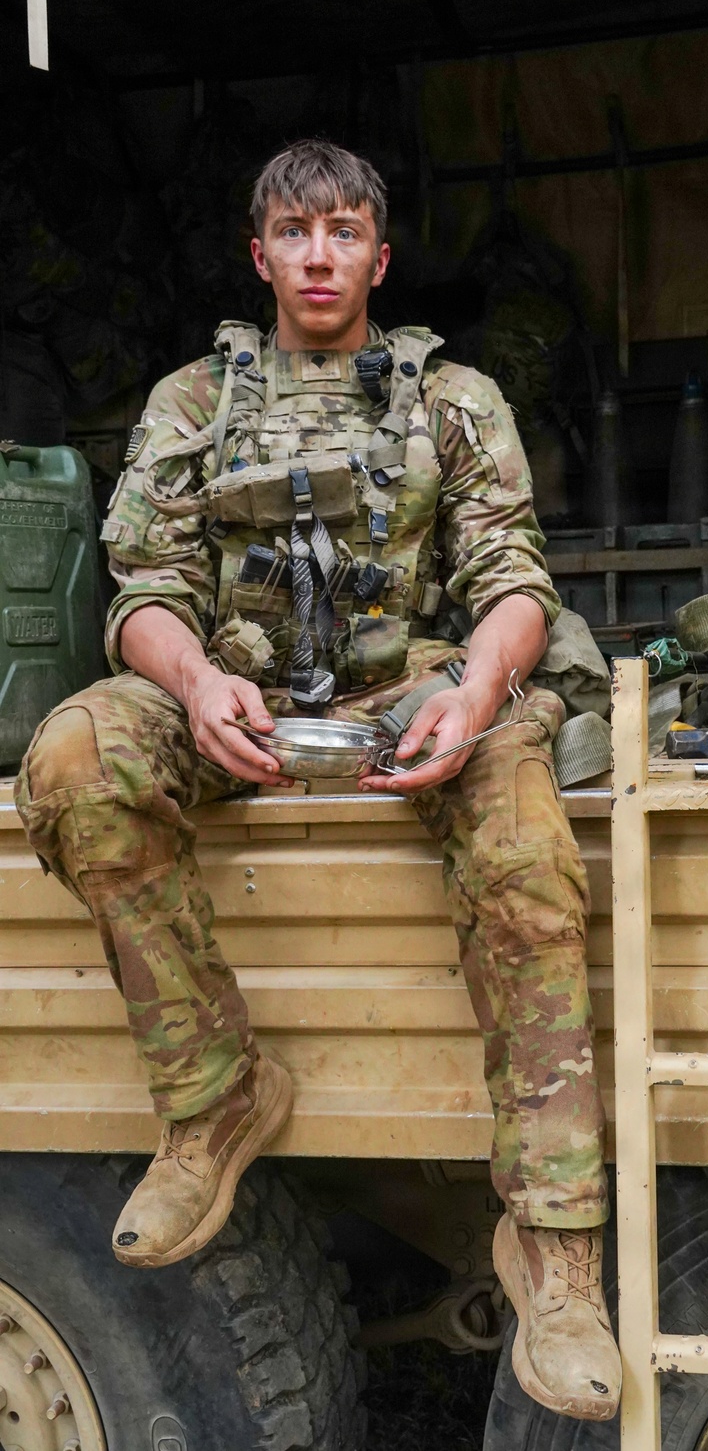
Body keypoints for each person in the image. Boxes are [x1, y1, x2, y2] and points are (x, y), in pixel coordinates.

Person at [16, 139, 620, 1421]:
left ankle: (552, 1239)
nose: (320, 256)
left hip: (408, 693)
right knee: (72, 759)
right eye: (295, 234)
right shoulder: (193, 401)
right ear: (261, 255)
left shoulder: (452, 398)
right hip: (232, 692)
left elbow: (514, 581)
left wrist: (473, 695)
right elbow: (142, 595)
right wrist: (194, 684)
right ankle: (215, 1099)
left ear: (379, 259)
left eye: (344, 232)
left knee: (524, 838)